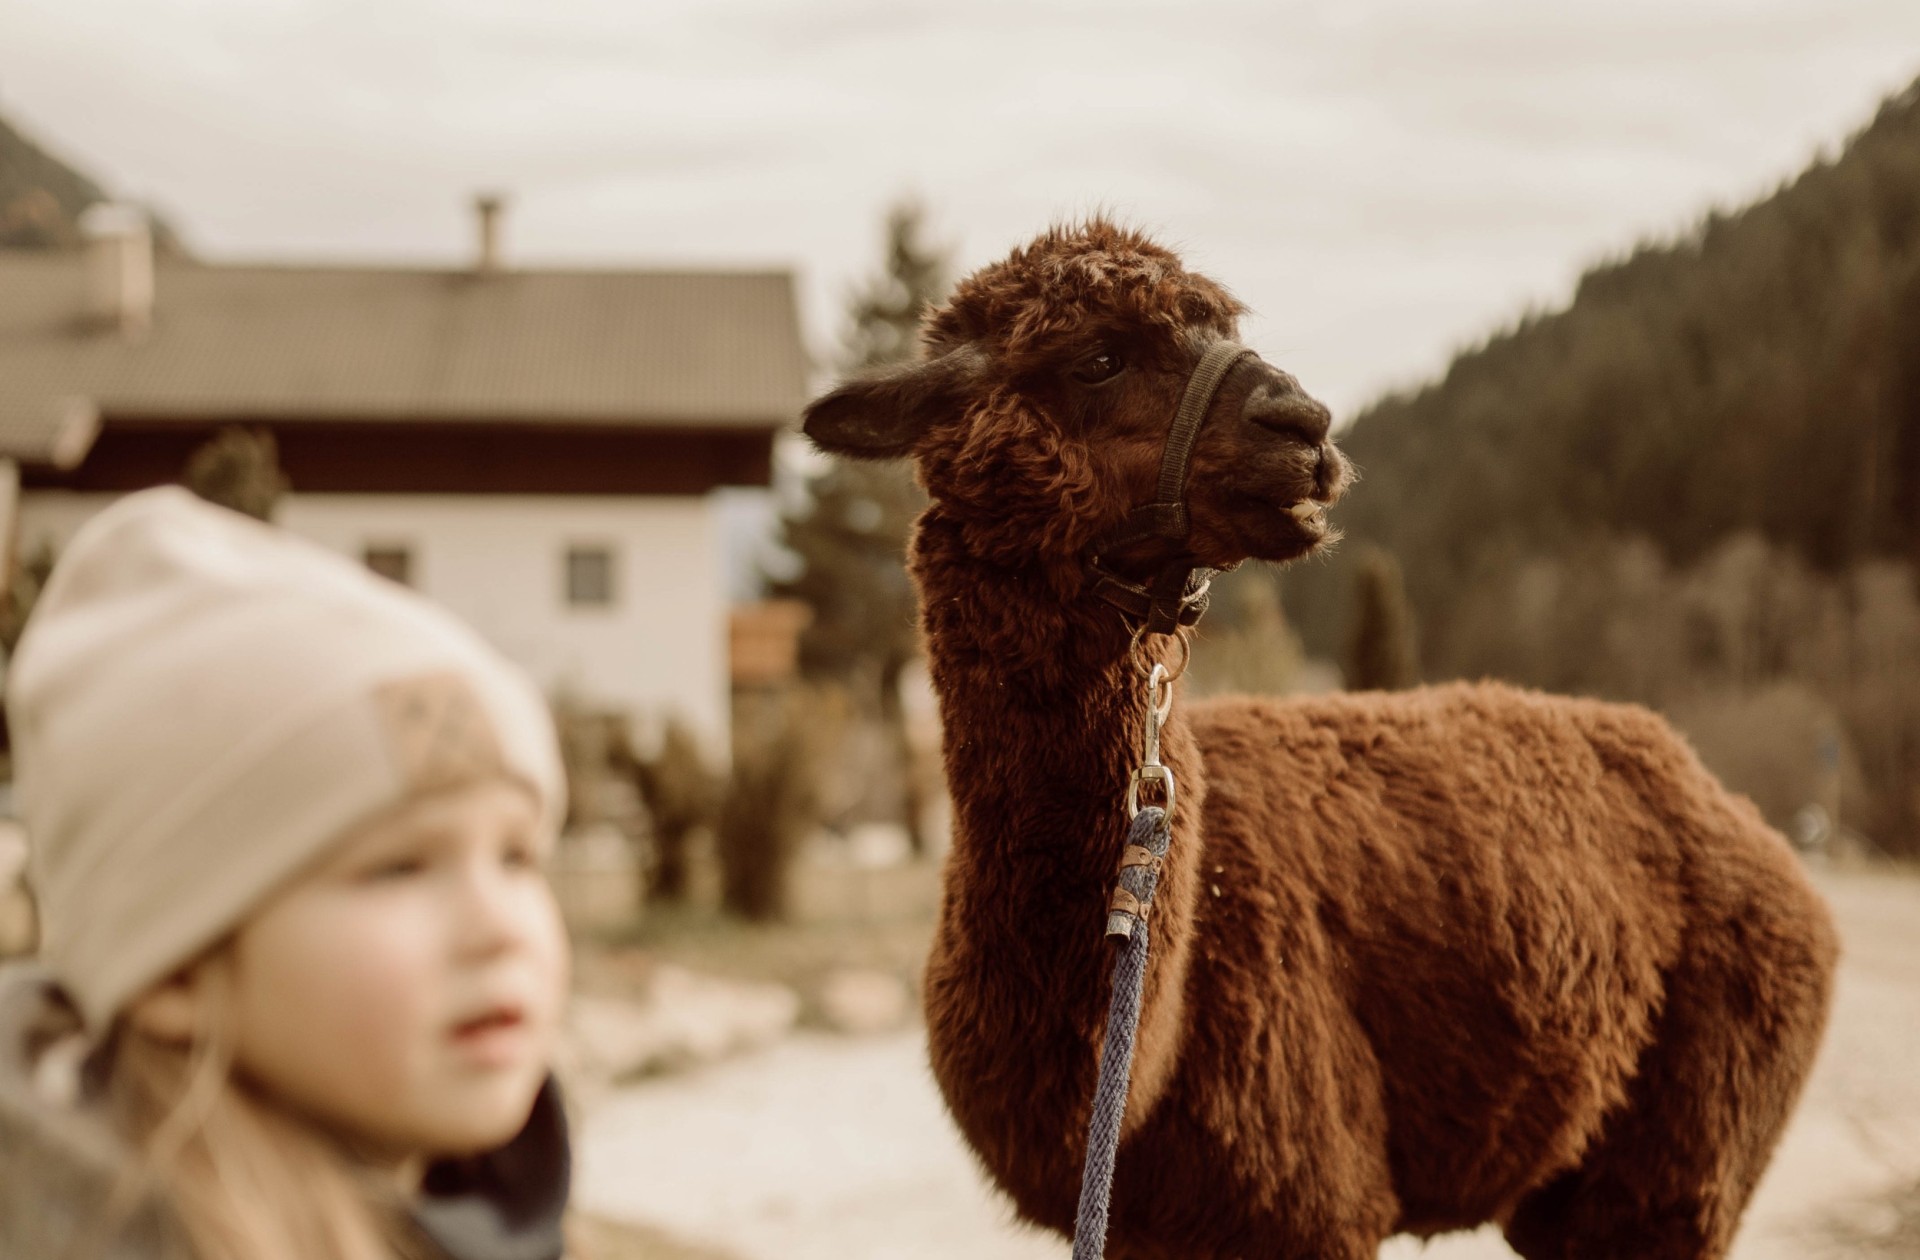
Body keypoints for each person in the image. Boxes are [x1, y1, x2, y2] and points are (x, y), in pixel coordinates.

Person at [0, 487, 572, 1260]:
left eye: (517, 857)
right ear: (176, 974)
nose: (500, 927)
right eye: (399, 868)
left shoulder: (484, 1214)